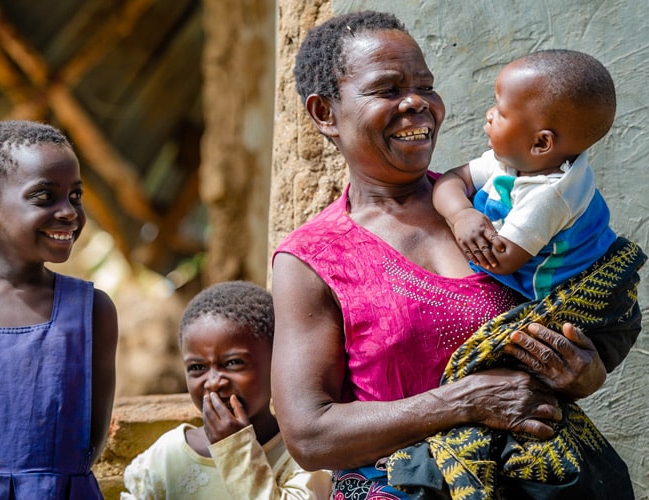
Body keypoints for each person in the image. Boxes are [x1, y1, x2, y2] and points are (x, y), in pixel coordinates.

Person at [270, 10, 642, 500]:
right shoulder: (313, 259)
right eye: (388, 90)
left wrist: (583, 372)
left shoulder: (504, 212)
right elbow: (310, 434)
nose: (417, 104)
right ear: (325, 113)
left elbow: (584, 311)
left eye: (426, 86)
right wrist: (463, 401)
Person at [0, 120, 118, 498]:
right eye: (45, 197)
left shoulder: (92, 312)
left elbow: (87, 447)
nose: (69, 212)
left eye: (75, 196)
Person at [432, 49, 618, 300]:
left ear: (541, 143)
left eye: (501, 111)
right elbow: (453, 179)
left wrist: (450, 226)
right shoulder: (521, 160)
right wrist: (460, 214)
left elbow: (500, 260)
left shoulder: (548, 196)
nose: (489, 114)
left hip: (548, 299)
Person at [121, 281, 332, 499]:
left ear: (276, 363)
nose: (213, 382)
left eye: (233, 363)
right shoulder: (165, 458)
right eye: (197, 368)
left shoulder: (302, 457)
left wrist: (235, 449)